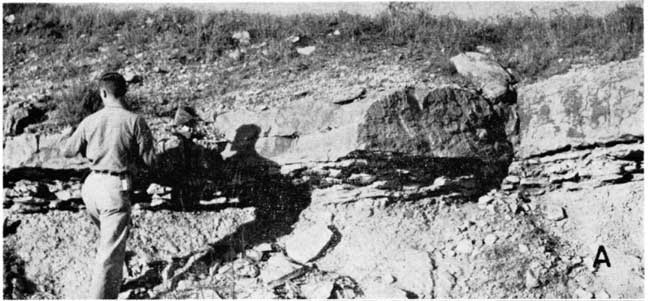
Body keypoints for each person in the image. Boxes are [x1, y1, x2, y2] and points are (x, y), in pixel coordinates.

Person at [62, 72, 155, 299]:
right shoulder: (134, 121)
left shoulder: (90, 120)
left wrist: (66, 135)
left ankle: (115, 277)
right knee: (109, 250)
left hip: (91, 186)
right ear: (124, 92)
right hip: (115, 186)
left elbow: (67, 151)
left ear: (103, 92)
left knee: (108, 241)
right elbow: (150, 162)